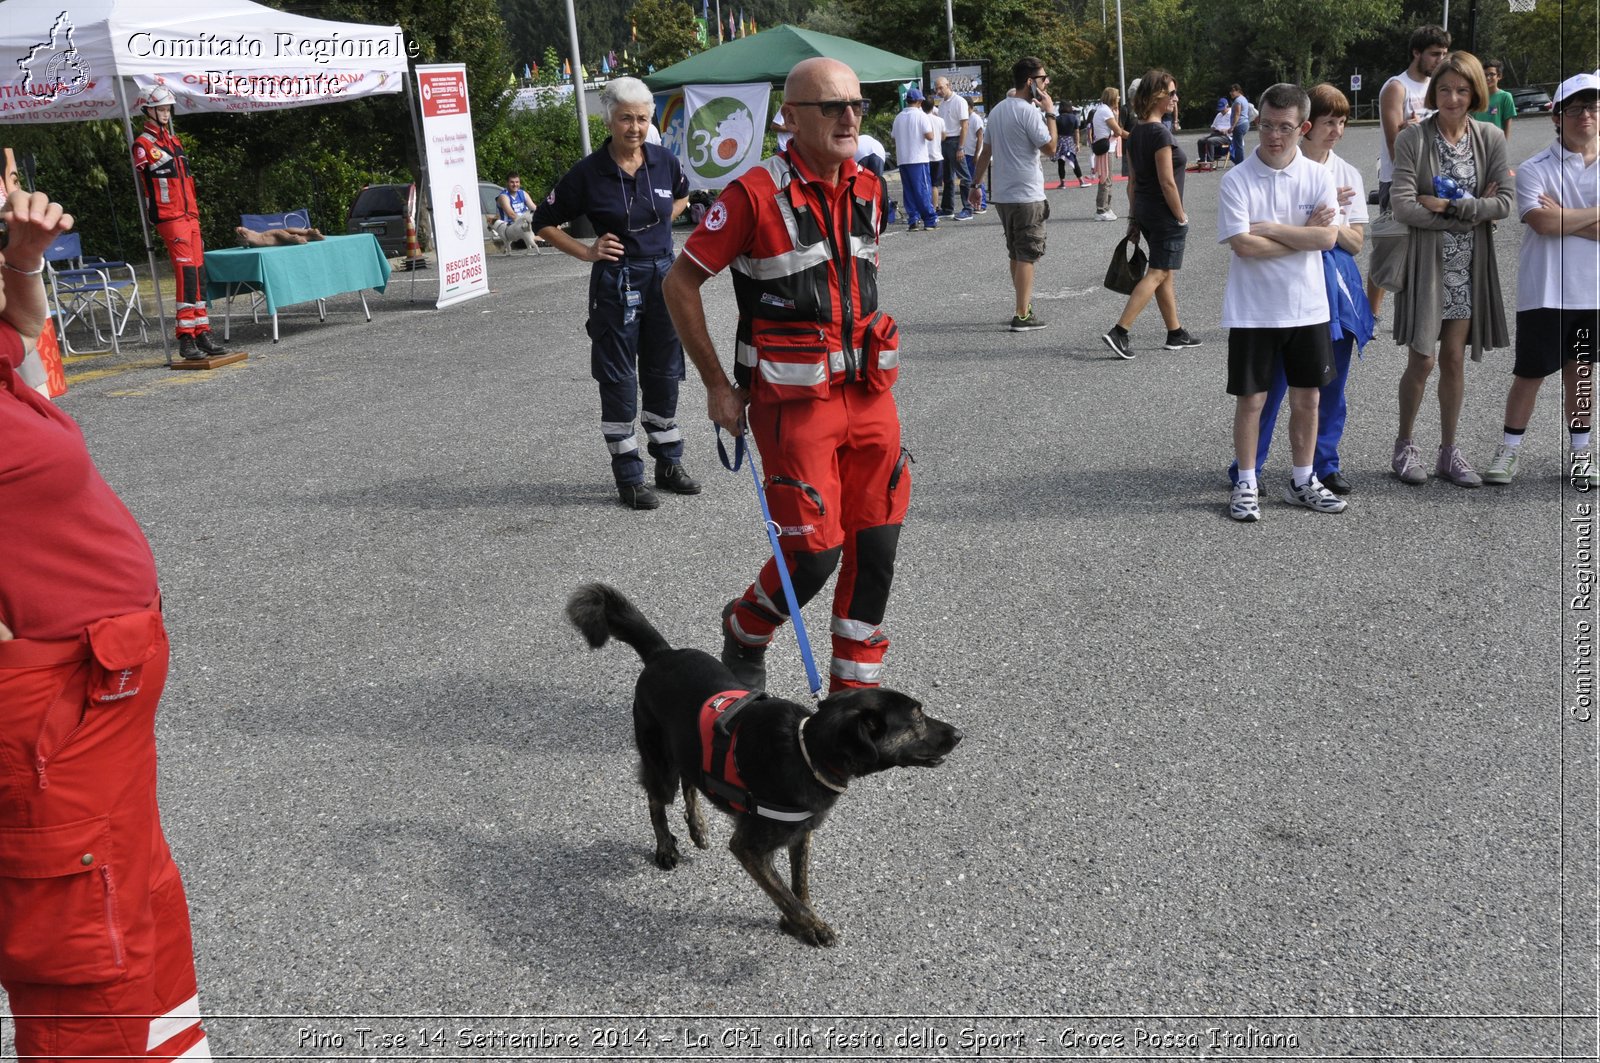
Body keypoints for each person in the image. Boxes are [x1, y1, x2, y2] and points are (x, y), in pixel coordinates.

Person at [0, 184, 211, 1063]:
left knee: (139, 918)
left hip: (100, 707)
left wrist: (20, 260)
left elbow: (22, 348)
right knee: (87, 960)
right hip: (56, 716)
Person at [662, 57, 910, 695]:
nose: (849, 117)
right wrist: (719, 384)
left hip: (870, 395)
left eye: (856, 104)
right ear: (791, 117)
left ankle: (854, 699)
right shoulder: (751, 193)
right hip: (793, 404)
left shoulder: (870, 187)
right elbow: (680, 282)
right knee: (812, 556)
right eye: (832, 107)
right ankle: (746, 627)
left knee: (876, 547)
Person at [531, 76, 698, 510]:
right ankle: (629, 475)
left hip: (665, 276)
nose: (635, 127)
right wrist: (587, 251)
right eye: (626, 118)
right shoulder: (588, 172)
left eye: (642, 119)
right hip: (617, 280)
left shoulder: (664, 161)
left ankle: (668, 463)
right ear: (609, 119)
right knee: (620, 376)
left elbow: (681, 197)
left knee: (665, 369)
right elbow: (543, 223)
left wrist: (663, 223)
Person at [1229, 83, 1376, 496]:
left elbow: (1351, 241)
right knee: (1266, 387)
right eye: (1330, 122)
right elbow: (1245, 243)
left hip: (1329, 287)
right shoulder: (1269, 171)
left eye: (1342, 122)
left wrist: (1317, 230)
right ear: (1308, 128)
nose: (1337, 131)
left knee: (1322, 383)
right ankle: (1249, 468)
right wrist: (1307, 231)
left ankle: (1322, 465)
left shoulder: (1343, 173)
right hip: (1273, 293)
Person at [1218, 83, 1342, 523]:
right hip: (1253, 310)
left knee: (1308, 399)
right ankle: (1247, 482)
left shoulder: (1319, 176)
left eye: (1285, 128)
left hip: (1307, 308)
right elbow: (1243, 247)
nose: (1273, 135)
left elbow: (1328, 238)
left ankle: (1302, 479)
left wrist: (1267, 227)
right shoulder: (1236, 179)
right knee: (1251, 401)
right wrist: (1301, 235)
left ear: (1303, 127)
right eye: (1266, 125)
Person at [1389, 50, 1513, 488]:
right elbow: (1403, 205)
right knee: (1423, 359)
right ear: (1433, 91)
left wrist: (1450, 205)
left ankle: (1448, 451)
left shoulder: (1491, 137)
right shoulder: (1413, 139)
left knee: (1454, 360)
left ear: (1476, 91)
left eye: (1462, 90)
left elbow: (1507, 202)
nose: (1453, 98)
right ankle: (1404, 446)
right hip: (1428, 263)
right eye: (1444, 89)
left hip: (1468, 265)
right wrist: (1476, 211)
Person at [1481, 73, 1600, 488]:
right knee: (1530, 373)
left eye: (1593, 107)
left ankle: (1581, 454)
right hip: (1546, 290)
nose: (1585, 115)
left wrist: (1565, 215)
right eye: (1574, 109)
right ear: (1556, 116)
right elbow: (1543, 223)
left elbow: (1555, 219)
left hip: (1593, 292)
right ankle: (1508, 451)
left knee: (1580, 372)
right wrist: (1587, 216)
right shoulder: (1534, 168)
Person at [1101, 70, 1201, 359]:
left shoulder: (1135, 134)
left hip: (1144, 211)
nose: (1175, 98)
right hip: (1163, 212)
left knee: (1164, 272)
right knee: (1158, 272)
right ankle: (1120, 332)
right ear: (1157, 96)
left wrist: (1133, 219)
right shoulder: (1159, 133)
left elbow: (1132, 184)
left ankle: (1175, 332)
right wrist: (1181, 215)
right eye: (1171, 94)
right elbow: (1167, 181)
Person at [131, 85, 227, 361]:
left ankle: (202, 331)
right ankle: (185, 338)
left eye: (167, 108)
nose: (165, 113)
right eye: (160, 108)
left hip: (190, 215)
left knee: (198, 273)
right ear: (148, 110)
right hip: (170, 217)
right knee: (185, 274)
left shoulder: (174, 142)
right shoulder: (143, 145)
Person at [968, 57, 1058, 331]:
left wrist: (975, 185)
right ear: (1030, 82)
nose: (1046, 84)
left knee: (1016, 253)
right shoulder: (1029, 112)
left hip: (1004, 195)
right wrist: (1051, 112)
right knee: (1028, 254)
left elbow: (986, 152)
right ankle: (1022, 314)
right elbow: (1051, 148)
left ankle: (1023, 305)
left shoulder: (997, 110)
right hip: (1027, 194)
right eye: (1043, 79)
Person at [1369, 24, 1451, 319]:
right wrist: (1408, 133)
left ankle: (1426, 310)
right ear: (1416, 53)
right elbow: (1393, 143)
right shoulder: (1396, 87)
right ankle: (1371, 314)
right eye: (1434, 54)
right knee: (1390, 247)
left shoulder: (1438, 88)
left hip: (1435, 178)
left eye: (1443, 53)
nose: (1440, 59)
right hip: (1399, 180)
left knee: (1432, 246)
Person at [891, 87, 939, 231]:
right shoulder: (921, 115)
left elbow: (893, 137)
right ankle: (929, 219)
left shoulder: (899, 117)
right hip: (918, 157)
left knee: (909, 190)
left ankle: (913, 219)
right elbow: (930, 136)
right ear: (919, 101)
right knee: (922, 189)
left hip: (903, 158)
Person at [935, 77, 974, 219]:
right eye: (937, 88)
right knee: (947, 177)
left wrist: (961, 147)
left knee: (963, 175)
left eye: (941, 88)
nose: (938, 91)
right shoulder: (942, 104)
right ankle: (947, 208)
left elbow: (965, 125)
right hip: (944, 142)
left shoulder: (960, 102)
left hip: (956, 141)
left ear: (948, 85)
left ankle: (968, 208)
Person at [1089, 87, 1128, 220]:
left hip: (1107, 148)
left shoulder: (1103, 109)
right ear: (1112, 97)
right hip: (1106, 149)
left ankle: (1106, 208)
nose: (1119, 99)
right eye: (1117, 97)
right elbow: (1118, 131)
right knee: (1105, 180)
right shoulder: (1106, 111)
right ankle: (1101, 210)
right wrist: (1135, 136)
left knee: (1107, 180)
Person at [1473, 58, 1516, 141]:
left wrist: (1504, 144)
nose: (1487, 78)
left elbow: (1507, 122)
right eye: (1485, 75)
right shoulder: (1475, 96)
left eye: (1492, 74)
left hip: (1495, 142)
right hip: (1476, 141)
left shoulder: (1505, 97)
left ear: (1499, 76)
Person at [493, 172, 538, 252]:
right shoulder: (503, 197)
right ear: (507, 183)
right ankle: (538, 239)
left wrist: (546, 218)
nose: (515, 184)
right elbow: (512, 215)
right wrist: (527, 224)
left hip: (524, 224)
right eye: (512, 182)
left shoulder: (523, 193)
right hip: (511, 228)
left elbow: (534, 208)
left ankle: (540, 238)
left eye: (517, 182)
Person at [962, 96, 988, 211]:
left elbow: (980, 137)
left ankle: (982, 204)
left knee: (977, 178)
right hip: (967, 153)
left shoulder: (975, 118)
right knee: (971, 179)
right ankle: (974, 203)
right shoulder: (966, 118)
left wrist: (977, 154)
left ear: (968, 106)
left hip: (974, 154)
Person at [1053, 104, 1084, 188]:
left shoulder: (1057, 119)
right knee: (1074, 161)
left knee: (1061, 163)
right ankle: (1081, 181)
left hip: (1060, 141)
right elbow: (1076, 132)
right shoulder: (1073, 118)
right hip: (1070, 141)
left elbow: (1054, 133)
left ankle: (1062, 183)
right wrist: (1077, 143)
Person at [1198, 98, 1233, 169]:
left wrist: (1226, 130)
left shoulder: (1232, 114)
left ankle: (1210, 161)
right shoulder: (1219, 115)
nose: (1221, 111)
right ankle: (1202, 161)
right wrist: (1215, 128)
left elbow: (1234, 127)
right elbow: (1213, 126)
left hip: (1227, 136)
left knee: (1210, 141)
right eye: (1220, 109)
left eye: (1223, 109)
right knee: (1201, 141)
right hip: (1217, 134)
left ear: (1227, 106)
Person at [233, 225, 324, 247]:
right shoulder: (246, 238)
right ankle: (312, 235)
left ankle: (308, 232)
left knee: (285, 234)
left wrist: (238, 230)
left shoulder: (246, 233)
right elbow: (245, 244)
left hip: (267, 236)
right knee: (285, 235)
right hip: (269, 238)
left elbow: (240, 229)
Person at [1227, 84, 1251, 164]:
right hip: (1245, 123)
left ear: (1238, 91)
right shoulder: (1244, 99)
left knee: (1238, 146)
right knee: (1237, 144)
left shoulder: (1238, 101)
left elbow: (1237, 114)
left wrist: (1232, 126)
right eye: (1230, 91)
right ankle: (1238, 161)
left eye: (1232, 91)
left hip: (1239, 125)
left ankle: (1240, 164)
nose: (1231, 93)